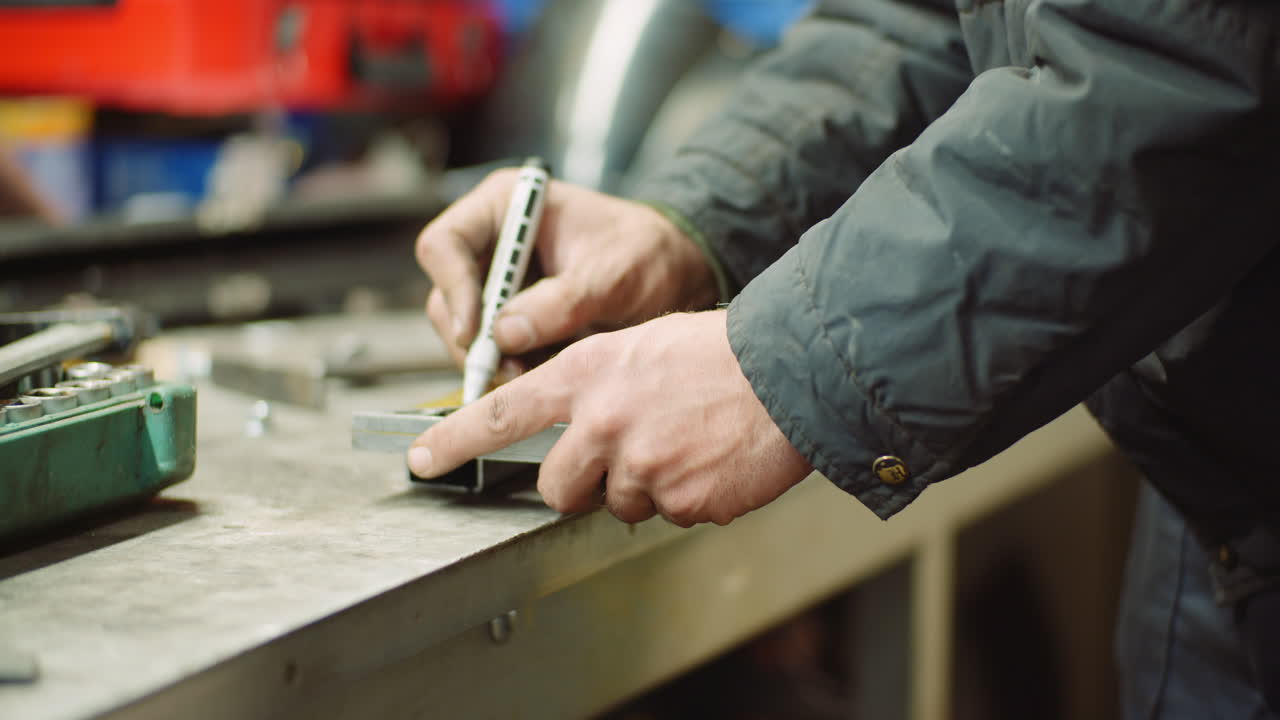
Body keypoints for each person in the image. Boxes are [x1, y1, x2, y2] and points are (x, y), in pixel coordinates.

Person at [411, 0, 1280, 715]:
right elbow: (926, 21)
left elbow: (1172, 73)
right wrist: (694, 220)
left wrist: (783, 363)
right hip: (1216, 496)